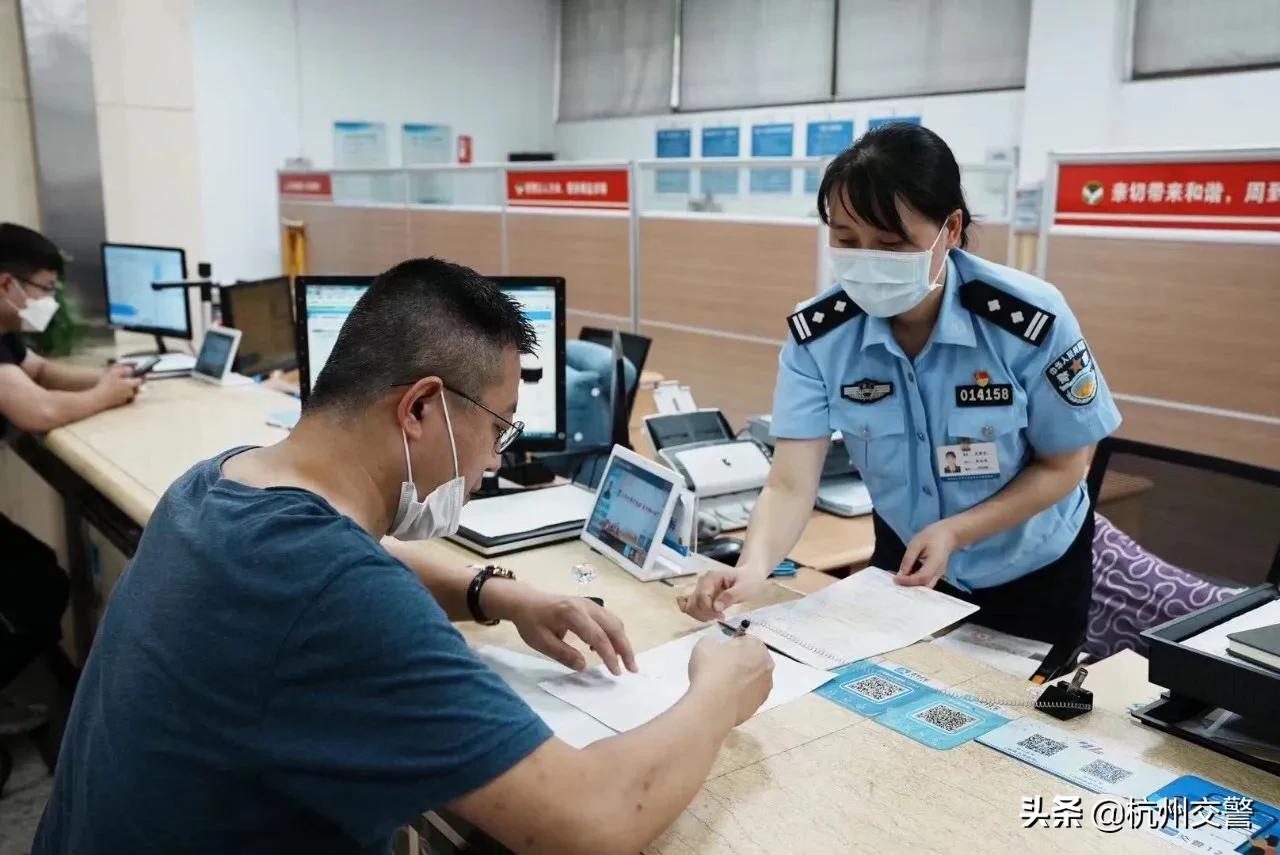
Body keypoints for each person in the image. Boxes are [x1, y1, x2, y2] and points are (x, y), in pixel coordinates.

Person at [35, 258, 774, 855]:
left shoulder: (219, 482)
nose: (491, 462)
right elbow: (591, 818)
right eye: (498, 428)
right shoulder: (334, 591)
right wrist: (716, 691)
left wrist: (496, 591)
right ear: (420, 407)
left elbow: (355, 550)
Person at [681, 124, 1120, 663]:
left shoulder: (1028, 321)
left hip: (1031, 572)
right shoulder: (821, 336)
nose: (866, 259)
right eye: (845, 239)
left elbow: (1067, 465)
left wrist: (957, 531)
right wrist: (751, 568)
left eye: (891, 243)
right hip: (906, 565)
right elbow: (792, 483)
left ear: (951, 229)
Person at [0, 223, 141, 731]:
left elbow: (40, 372)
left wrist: (120, 375)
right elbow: (35, 409)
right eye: (42, 289)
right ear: (5, 285)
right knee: (39, 587)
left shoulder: (6, 335)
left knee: (36, 569)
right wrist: (105, 396)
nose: (49, 300)